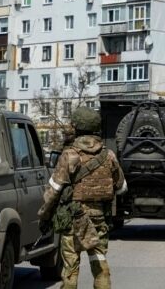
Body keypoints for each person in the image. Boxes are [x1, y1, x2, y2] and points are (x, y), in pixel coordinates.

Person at [38, 106, 127, 289]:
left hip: (73, 219)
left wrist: (44, 216)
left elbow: (53, 191)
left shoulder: (69, 155)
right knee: (100, 265)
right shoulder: (108, 156)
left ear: (77, 128)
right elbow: (121, 187)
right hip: (98, 220)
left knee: (70, 268)